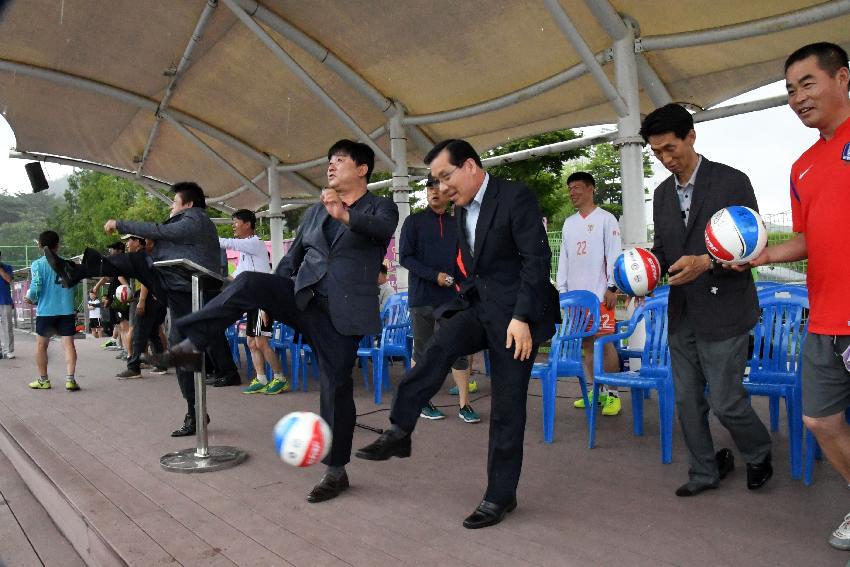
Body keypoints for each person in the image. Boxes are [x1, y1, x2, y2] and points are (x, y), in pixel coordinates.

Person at [147, 140, 398, 504]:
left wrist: (344, 214)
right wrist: (272, 295)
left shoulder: (380, 206)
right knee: (250, 281)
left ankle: (335, 471)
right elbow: (291, 260)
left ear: (362, 169)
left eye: (339, 160)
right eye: (329, 161)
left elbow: (380, 230)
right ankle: (192, 340)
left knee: (336, 386)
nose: (330, 166)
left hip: (343, 315)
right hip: (305, 301)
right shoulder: (315, 212)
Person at [356, 139, 560, 529]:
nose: (443, 187)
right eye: (436, 180)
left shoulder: (514, 197)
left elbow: (536, 260)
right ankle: (400, 430)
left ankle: (500, 496)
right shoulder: (460, 211)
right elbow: (476, 268)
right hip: (480, 309)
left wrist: (522, 316)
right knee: (436, 348)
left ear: (469, 166)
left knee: (506, 406)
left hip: (518, 319)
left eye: (446, 176)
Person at [745, 42, 850, 551]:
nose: (797, 97)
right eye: (789, 89)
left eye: (808, 83)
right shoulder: (803, 165)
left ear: (843, 78)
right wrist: (763, 256)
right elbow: (808, 238)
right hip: (825, 318)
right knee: (819, 420)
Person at [640, 103, 773, 497]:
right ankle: (704, 470)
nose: (665, 159)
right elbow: (664, 250)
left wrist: (706, 262)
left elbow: (753, 245)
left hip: (726, 309)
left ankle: (758, 452)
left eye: (669, 148)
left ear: (691, 136)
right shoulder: (662, 195)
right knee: (685, 399)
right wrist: (642, 271)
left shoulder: (732, 181)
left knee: (727, 401)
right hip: (683, 313)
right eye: (656, 152)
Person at [45, 182, 240, 437]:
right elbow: (162, 240)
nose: (171, 207)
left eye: (175, 202)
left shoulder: (197, 219)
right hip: (178, 286)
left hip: (191, 290)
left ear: (189, 204)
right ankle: (76, 271)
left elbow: (158, 230)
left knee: (183, 351)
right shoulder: (190, 225)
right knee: (137, 261)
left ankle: (195, 412)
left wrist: (120, 223)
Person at [399, 174, 479, 423]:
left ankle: (465, 405)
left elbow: (466, 259)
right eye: (429, 188)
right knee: (422, 350)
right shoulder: (414, 222)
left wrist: (465, 286)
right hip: (422, 296)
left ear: (448, 192)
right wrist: (435, 276)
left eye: (438, 187)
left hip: (452, 298)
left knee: (459, 349)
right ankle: (422, 401)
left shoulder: (459, 223)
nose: (433, 191)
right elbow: (405, 258)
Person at [556, 171, 623, 416]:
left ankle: (614, 394)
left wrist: (613, 286)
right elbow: (564, 257)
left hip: (600, 294)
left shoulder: (607, 219)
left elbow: (615, 254)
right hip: (576, 297)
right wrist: (563, 291)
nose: (573, 193)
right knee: (586, 344)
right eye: (570, 189)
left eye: (577, 188)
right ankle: (598, 392)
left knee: (603, 343)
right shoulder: (569, 223)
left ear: (591, 188)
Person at [219, 209, 289, 395]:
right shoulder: (245, 251)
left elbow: (228, 243)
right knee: (252, 342)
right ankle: (261, 378)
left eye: (236, 222)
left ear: (248, 224)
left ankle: (280, 377)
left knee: (261, 342)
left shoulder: (254, 243)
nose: (233, 226)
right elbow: (236, 276)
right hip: (252, 301)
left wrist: (207, 238)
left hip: (261, 301)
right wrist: (218, 275)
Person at [25, 231, 79, 391]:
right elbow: (74, 286)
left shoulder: (37, 264)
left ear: (41, 246)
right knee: (69, 345)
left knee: (41, 346)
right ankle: (70, 380)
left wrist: (31, 298)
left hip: (46, 312)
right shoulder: (69, 264)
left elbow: (36, 286)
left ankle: (44, 380)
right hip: (66, 310)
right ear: (58, 244)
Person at [116, 235, 168, 379]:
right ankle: (161, 364)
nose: (127, 244)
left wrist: (142, 300)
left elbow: (146, 280)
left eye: (129, 240)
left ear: (138, 242)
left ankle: (133, 368)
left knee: (139, 334)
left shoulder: (142, 257)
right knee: (152, 333)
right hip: (157, 298)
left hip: (149, 298)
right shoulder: (148, 256)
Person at [0, 250, 14, 359]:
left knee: (7, 326)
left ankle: (9, 350)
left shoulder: (7, 267)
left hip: (5, 300)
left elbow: (9, 279)